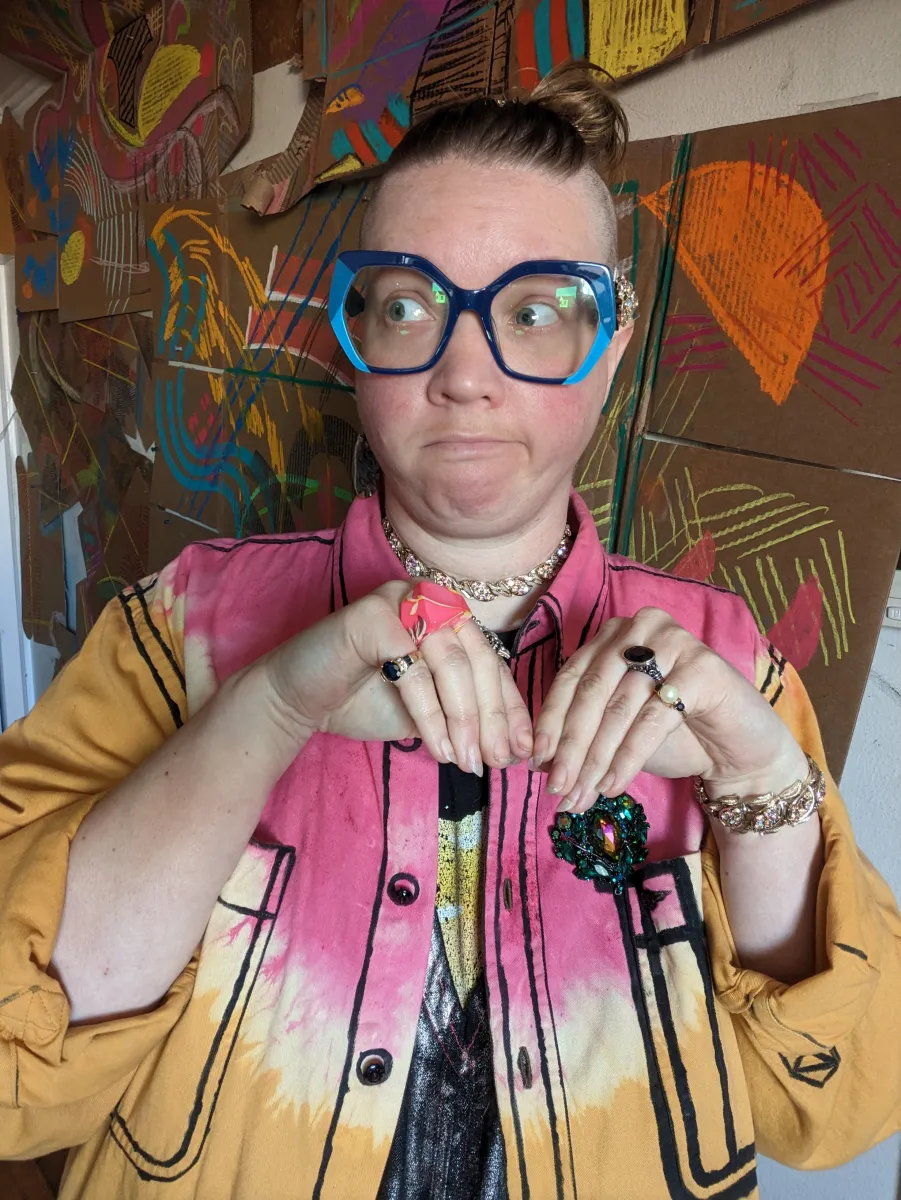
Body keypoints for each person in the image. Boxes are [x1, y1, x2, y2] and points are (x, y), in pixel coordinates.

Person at [0, 63, 899, 1200]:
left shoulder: (725, 659)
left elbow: (833, 1108)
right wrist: (269, 708)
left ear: (609, 350)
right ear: (358, 339)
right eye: (412, 306)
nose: (465, 374)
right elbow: (17, 1072)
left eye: (534, 311)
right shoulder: (176, 626)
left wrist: (760, 778)